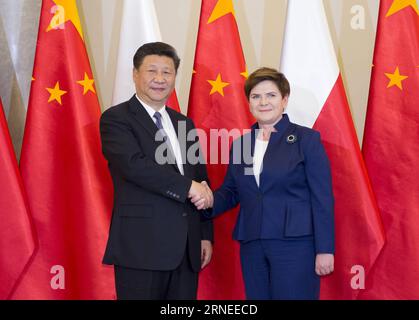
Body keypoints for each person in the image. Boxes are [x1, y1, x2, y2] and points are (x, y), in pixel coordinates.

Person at [195, 67, 334, 300]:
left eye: (271, 95)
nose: (263, 102)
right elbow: (231, 192)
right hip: (252, 244)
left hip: (295, 245)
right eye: (256, 96)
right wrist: (205, 199)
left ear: (284, 100)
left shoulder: (306, 140)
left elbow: (322, 198)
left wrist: (325, 249)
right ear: (248, 102)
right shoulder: (241, 145)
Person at [100, 42, 213, 300]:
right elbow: (134, 165)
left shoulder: (184, 123)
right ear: (135, 74)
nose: (160, 79)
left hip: (187, 249)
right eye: (152, 71)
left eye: (167, 72)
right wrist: (188, 187)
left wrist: (205, 235)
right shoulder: (116, 119)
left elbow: (200, 177)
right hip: (142, 247)